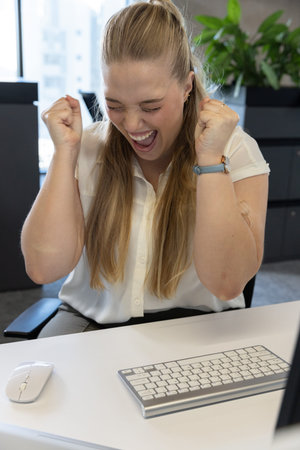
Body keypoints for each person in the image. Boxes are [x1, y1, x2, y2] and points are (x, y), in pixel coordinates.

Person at [21, 0, 269, 338]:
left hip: (197, 328)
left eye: (150, 106)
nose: (132, 124)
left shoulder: (234, 150)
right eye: (114, 105)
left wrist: (211, 163)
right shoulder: (87, 147)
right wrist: (64, 155)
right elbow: (43, 268)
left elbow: (227, 284)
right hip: (91, 324)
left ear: (186, 87)